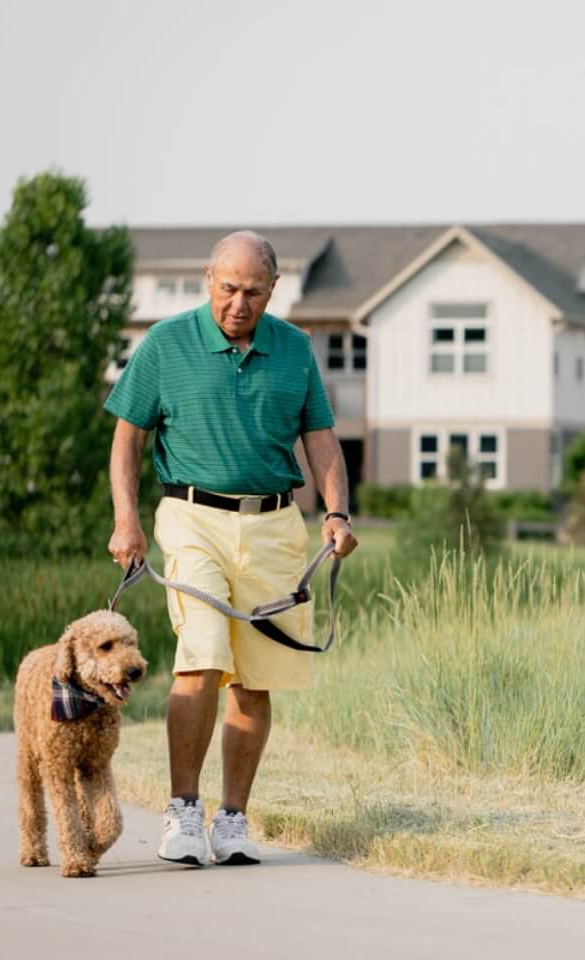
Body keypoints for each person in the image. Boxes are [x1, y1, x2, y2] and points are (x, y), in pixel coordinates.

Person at [104, 230, 358, 865]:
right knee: (202, 656)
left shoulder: (295, 349)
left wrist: (336, 512)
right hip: (192, 516)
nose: (238, 304)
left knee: (255, 678)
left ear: (274, 291)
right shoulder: (166, 344)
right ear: (206, 281)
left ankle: (233, 819)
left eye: (252, 292)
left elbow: (321, 442)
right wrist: (126, 522)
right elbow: (128, 439)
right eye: (227, 289)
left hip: (274, 524)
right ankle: (184, 811)